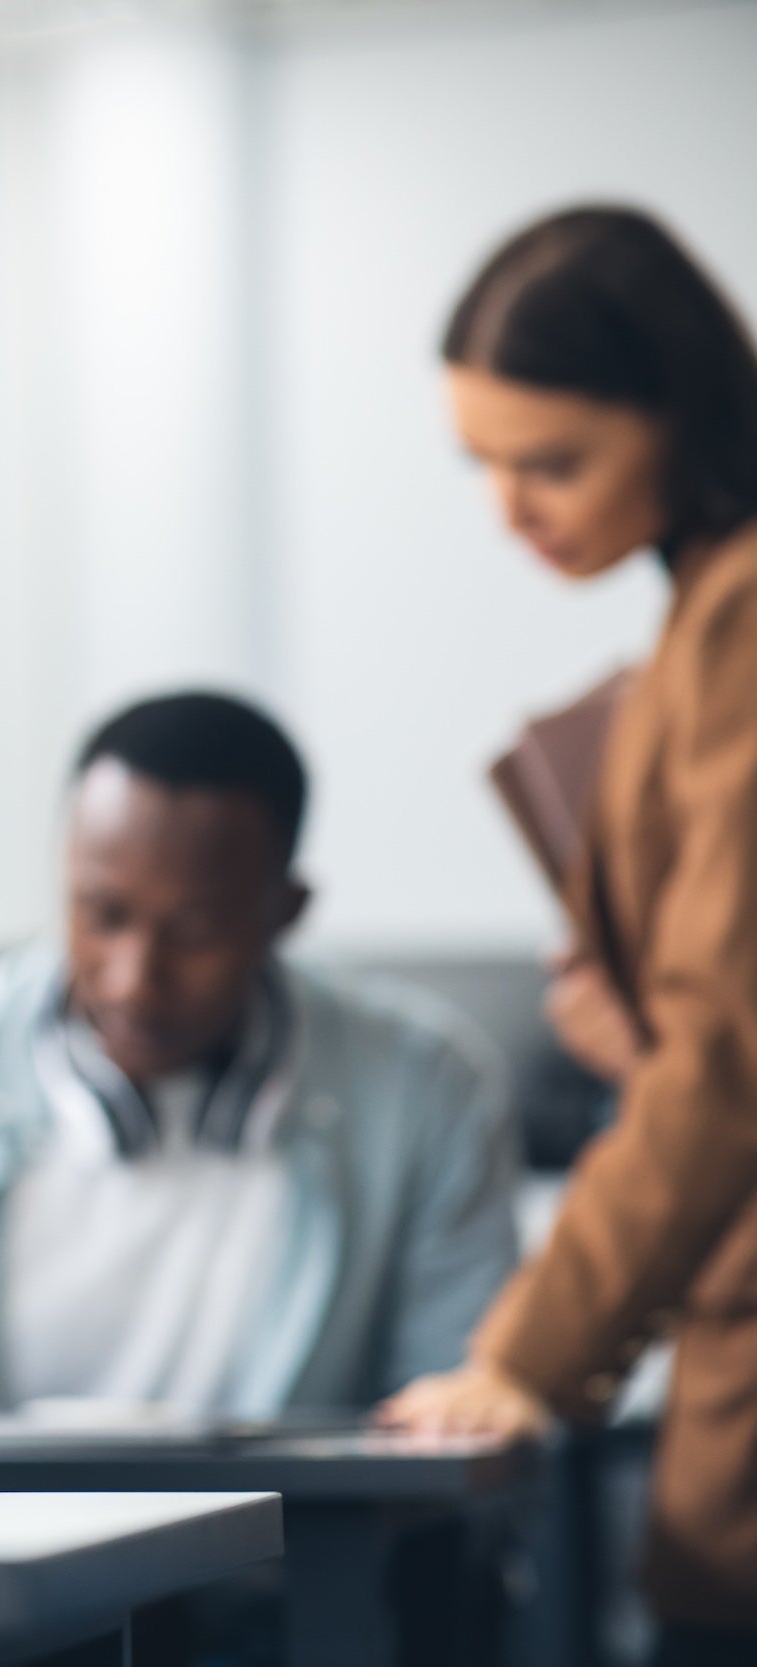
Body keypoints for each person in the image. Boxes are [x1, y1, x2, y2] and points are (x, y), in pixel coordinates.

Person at [381, 206, 757, 1655]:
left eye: (553, 462)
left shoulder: (735, 626)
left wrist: (522, 1355)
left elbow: (727, 1055)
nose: (513, 511)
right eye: (484, 464)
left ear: (678, 409)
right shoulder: (697, 620)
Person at [0, 693, 521, 1416]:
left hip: (294, 1530)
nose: (134, 979)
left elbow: (458, 1432)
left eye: (194, 931)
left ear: (284, 911)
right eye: (102, 914)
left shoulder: (427, 1090)